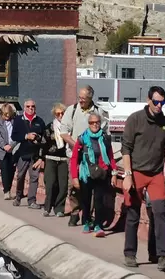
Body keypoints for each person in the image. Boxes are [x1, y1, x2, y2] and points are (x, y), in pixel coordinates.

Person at [121, 86, 165, 271]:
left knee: (160, 213)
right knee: (133, 213)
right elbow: (126, 148)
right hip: (136, 172)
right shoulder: (135, 119)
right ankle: (130, 254)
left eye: (162, 102)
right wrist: (127, 175)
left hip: (156, 174)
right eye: (156, 102)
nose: (159, 105)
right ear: (148, 100)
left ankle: (162, 256)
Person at [60, 85, 107, 226]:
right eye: (79, 98)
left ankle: (88, 215)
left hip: (93, 158)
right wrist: (76, 146)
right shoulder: (72, 110)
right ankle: (74, 212)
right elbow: (63, 132)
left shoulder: (99, 112)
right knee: (74, 185)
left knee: (91, 186)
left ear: (90, 98)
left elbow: (104, 134)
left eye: (84, 99)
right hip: (75, 155)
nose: (80, 101)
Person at [70, 112, 116, 237]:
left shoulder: (105, 138)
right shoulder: (82, 138)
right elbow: (74, 159)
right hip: (86, 173)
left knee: (99, 200)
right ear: (88, 124)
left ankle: (98, 225)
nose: (95, 125)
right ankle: (87, 221)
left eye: (97, 122)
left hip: (102, 172)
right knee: (85, 200)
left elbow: (111, 157)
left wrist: (115, 173)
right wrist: (74, 177)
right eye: (92, 122)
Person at [12, 99, 46, 209]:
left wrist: (38, 139)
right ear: (24, 107)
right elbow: (14, 136)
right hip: (23, 153)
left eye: (32, 106)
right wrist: (26, 136)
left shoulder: (40, 121)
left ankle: (32, 200)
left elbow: (44, 140)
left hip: (35, 154)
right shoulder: (18, 120)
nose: (30, 108)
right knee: (20, 176)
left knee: (34, 177)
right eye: (28, 106)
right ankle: (18, 195)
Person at [42, 103, 69, 217]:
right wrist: (40, 158)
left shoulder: (69, 128)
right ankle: (47, 207)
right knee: (50, 184)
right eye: (58, 113)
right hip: (51, 158)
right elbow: (43, 143)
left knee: (63, 185)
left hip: (64, 159)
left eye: (63, 113)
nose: (60, 115)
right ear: (54, 114)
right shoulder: (49, 127)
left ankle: (59, 209)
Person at [0, 104, 22, 200]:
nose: (7, 117)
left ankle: (8, 188)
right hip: (2, 151)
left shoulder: (14, 121)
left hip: (13, 149)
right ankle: (6, 191)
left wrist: (11, 145)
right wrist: (4, 145)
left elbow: (17, 134)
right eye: (5, 115)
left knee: (11, 170)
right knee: (4, 170)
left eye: (8, 115)